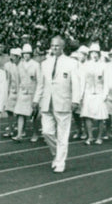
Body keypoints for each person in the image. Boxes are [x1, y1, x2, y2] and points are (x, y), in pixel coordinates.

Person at [34, 35, 82, 173]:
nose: (54, 48)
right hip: (47, 102)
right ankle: (57, 155)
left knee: (63, 134)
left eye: (57, 46)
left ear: (63, 47)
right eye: (52, 45)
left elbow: (76, 84)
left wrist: (75, 100)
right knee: (47, 132)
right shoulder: (45, 63)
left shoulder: (72, 63)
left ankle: (60, 162)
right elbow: (41, 84)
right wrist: (36, 99)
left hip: (63, 101)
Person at [79, 43, 108, 145]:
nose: (94, 54)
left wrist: (104, 95)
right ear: (89, 54)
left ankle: (99, 137)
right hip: (88, 93)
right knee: (87, 115)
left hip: (99, 93)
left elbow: (106, 82)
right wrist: (81, 95)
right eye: (92, 52)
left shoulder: (103, 65)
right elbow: (83, 81)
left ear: (99, 54)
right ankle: (90, 136)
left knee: (100, 117)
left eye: (96, 52)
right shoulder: (85, 65)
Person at [14, 43, 41, 141]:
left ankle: (35, 134)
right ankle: (19, 134)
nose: (26, 55)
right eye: (24, 53)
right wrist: (18, 92)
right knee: (20, 114)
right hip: (22, 92)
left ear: (31, 54)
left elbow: (39, 82)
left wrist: (37, 98)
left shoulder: (36, 65)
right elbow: (18, 80)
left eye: (28, 53)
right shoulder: (20, 65)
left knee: (33, 116)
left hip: (32, 93)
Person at [2, 48, 21, 138]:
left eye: (13, 56)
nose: (11, 57)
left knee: (19, 113)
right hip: (12, 91)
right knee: (9, 111)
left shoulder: (22, 66)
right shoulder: (8, 66)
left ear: (18, 57)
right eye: (11, 55)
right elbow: (7, 79)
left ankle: (19, 128)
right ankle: (10, 129)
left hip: (20, 92)